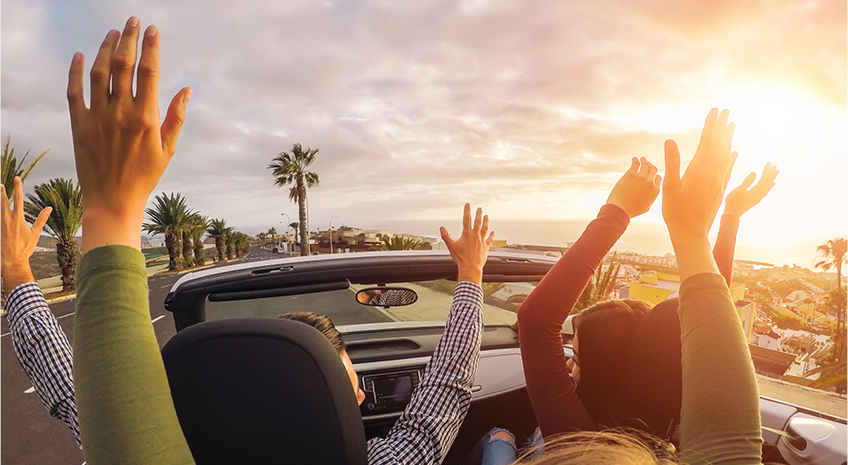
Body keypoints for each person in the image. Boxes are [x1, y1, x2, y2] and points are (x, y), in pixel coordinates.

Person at [511, 108, 764, 464]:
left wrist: (617, 212)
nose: (568, 366)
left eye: (578, 358)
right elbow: (701, 323)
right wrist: (728, 218)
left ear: (609, 372)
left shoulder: (579, 439)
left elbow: (536, 322)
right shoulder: (660, 437)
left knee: (501, 439)